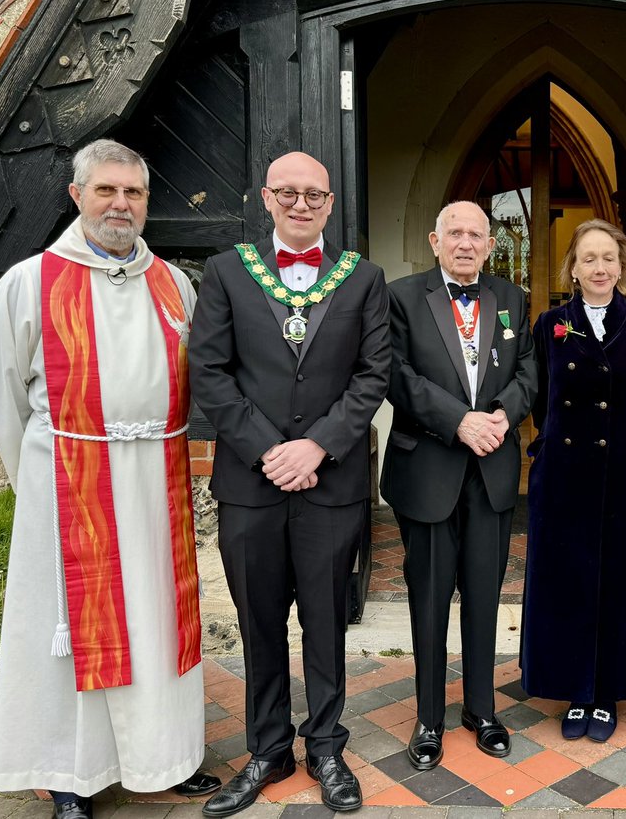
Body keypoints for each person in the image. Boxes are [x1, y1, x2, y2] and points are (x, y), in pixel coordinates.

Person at [0, 139, 221, 818]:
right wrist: (41, 471)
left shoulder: (173, 284)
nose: (120, 205)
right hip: (67, 481)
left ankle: (166, 758)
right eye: (106, 191)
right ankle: (72, 775)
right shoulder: (30, 282)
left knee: (157, 618)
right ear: (77, 195)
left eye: (134, 193)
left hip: (154, 481)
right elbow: (4, 395)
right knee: (71, 631)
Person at [189, 152, 392, 816]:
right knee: (260, 623)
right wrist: (270, 449)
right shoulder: (225, 272)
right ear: (267, 199)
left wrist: (318, 447)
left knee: (328, 621)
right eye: (289, 193)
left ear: (331, 204)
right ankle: (268, 747)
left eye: (315, 195)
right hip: (252, 484)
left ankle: (327, 745)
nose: (302, 204)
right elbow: (210, 373)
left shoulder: (362, 279)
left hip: (330, 484)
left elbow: (371, 376)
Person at [382, 200, 538, 770]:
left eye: (477, 234)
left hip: (492, 470)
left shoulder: (512, 298)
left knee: (484, 595)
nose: (466, 243)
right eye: (456, 233)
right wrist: (458, 421)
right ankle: (428, 717)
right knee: (428, 599)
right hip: (428, 468)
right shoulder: (400, 296)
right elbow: (395, 374)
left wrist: (503, 413)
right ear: (435, 239)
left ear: (491, 245)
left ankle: (480, 708)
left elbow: (528, 369)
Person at [519, 219, 626, 742]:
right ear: (573, 269)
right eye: (588, 258)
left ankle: (606, 693)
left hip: (621, 477)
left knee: (619, 582)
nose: (599, 267)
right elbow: (539, 399)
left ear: (622, 266)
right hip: (563, 474)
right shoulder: (549, 324)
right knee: (568, 581)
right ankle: (575, 690)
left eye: (609, 258)